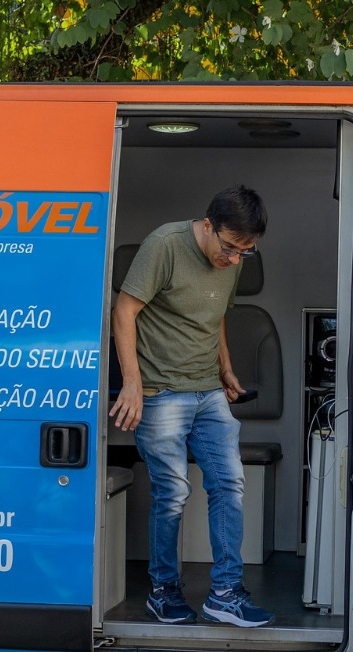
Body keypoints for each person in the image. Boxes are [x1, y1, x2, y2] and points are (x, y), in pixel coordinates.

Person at [110, 186, 273, 628]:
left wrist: (225, 368)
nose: (235, 259)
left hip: (209, 393)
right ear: (207, 225)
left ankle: (225, 594)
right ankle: (163, 591)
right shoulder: (164, 245)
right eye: (230, 247)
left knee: (229, 484)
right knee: (173, 493)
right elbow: (124, 311)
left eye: (246, 251)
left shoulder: (231, 259)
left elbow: (215, 313)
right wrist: (132, 384)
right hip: (161, 392)